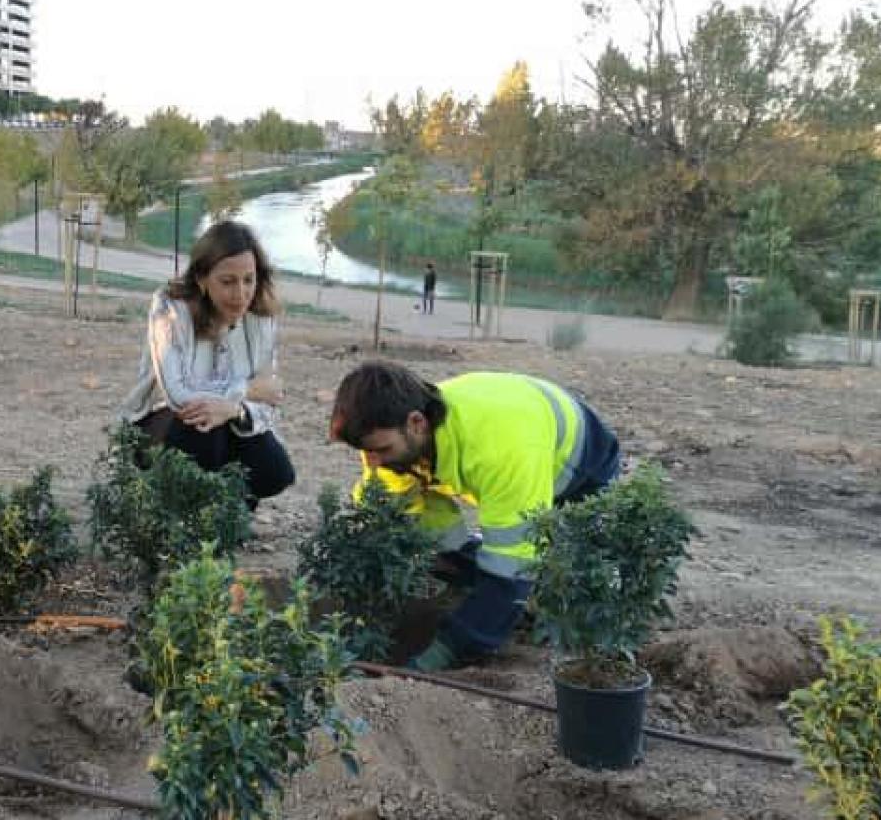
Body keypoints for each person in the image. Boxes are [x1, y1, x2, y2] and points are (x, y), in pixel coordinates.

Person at [328, 361, 621, 670]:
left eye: (382, 450)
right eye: (367, 452)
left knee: (546, 581)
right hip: (513, 435)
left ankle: (507, 617)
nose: (373, 462)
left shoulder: (500, 452)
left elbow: (511, 566)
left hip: (579, 468)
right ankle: (479, 586)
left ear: (416, 423)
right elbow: (388, 509)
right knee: (438, 538)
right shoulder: (392, 438)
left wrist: (442, 653)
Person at [121, 219, 294, 506]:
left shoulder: (262, 317)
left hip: (227, 419)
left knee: (276, 472)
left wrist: (234, 410)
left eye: (248, 280)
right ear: (202, 279)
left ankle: (225, 512)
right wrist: (244, 391)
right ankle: (183, 508)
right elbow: (178, 395)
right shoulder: (169, 308)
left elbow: (270, 403)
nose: (241, 294)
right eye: (227, 282)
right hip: (161, 425)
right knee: (204, 423)